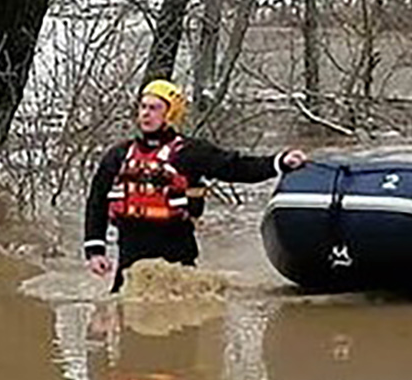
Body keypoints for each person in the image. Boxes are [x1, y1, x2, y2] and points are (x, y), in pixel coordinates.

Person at [84, 79, 307, 291]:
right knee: (126, 315)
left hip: (177, 254)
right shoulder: (118, 155)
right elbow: (97, 201)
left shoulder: (191, 153)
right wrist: (95, 250)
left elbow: (236, 167)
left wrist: (279, 162)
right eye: (142, 107)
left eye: (154, 108)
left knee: (184, 316)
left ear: (170, 113)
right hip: (131, 258)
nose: (145, 114)